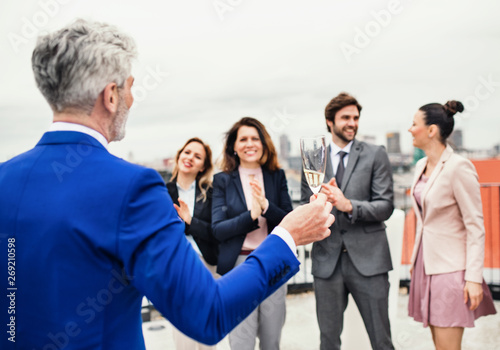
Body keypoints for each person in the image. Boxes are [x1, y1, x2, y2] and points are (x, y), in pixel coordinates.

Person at [0, 19, 335, 350]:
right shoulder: (132, 187)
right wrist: (287, 235)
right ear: (110, 96)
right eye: (129, 87)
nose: (132, 99)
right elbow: (208, 314)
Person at [301, 92, 395, 350]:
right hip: (326, 262)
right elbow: (302, 205)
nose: (352, 122)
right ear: (330, 121)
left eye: (355, 117)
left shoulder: (376, 154)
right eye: (345, 117)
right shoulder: (312, 158)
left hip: (370, 262)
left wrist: (348, 205)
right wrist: (314, 208)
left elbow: (386, 205)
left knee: (381, 340)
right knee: (328, 341)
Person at [407, 100, 496, 349]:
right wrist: (416, 260)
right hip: (425, 265)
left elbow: (475, 226)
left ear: (432, 130)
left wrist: (474, 278)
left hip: (451, 270)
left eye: (414, 124)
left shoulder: (459, 167)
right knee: (438, 344)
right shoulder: (419, 166)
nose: (410, 129)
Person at [212, 117, 293, 350]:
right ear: (234, 147)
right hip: (239, 267)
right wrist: (251, 216)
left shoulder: (276, 176)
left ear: (264, 143)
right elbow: (218, 229)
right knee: (241, 341)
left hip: (273, 264)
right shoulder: (223, 181)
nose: (250, 144)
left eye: (255, 138)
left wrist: (266, 207)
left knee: (271, 339)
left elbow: (288, 219)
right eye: (243, 139)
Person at [166, 137, 219, 350]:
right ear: (179, 156)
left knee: (206, 329)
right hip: (176, 266)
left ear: (203, 166)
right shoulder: (161, 192)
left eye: (197, 156)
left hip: (206, 265)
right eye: (187, 152)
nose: (190, 158)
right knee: (182, 329)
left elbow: (215, 233)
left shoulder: (212, 193)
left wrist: (190, 221)